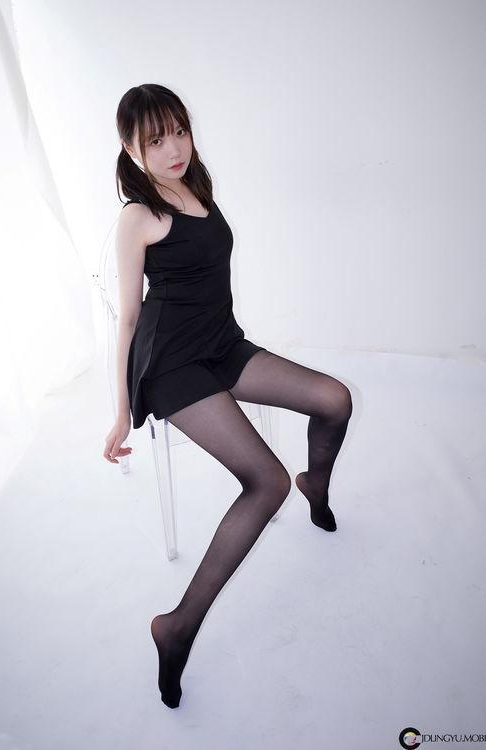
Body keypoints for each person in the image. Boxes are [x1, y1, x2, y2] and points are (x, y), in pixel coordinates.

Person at [103, 83, 353, 709]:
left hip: (221, 344)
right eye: (155, 140)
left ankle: (316, 486)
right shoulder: (138, 217)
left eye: (179, 131)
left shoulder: (196, 185)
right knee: (264, 483)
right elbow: (127, 319)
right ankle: (176, 627)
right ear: (131, 150)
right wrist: (120, 410)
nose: (173, 148)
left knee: (334, 399)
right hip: (172, 365)